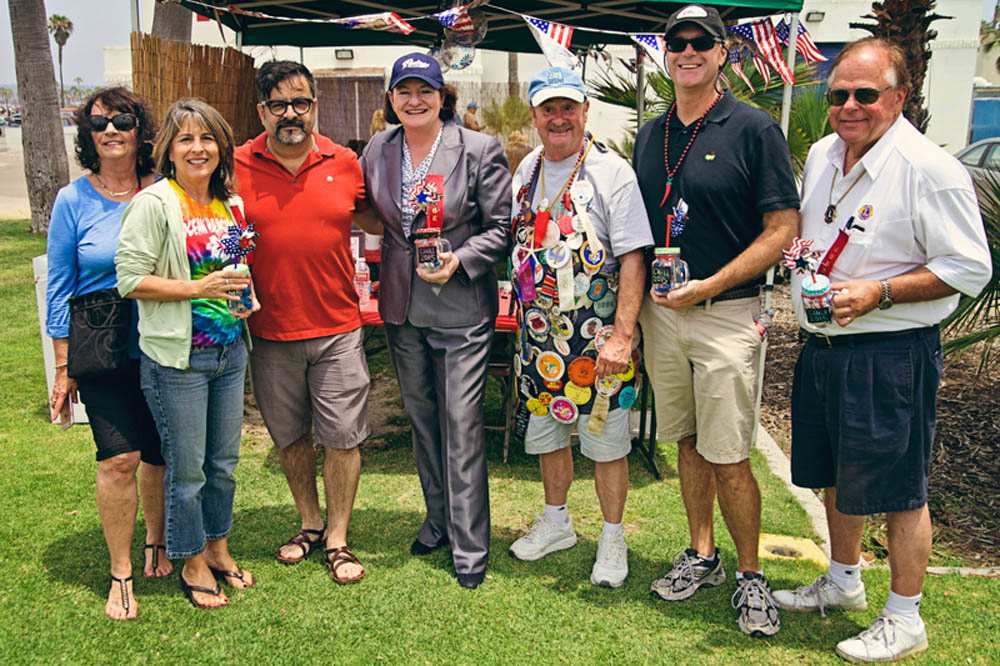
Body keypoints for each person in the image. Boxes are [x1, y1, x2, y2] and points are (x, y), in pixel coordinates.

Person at [773, 38, 991, 662]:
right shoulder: (821, 154)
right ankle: (842, 582)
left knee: (899, 489)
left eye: (865, 94)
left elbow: (969, 269)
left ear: (898, 97)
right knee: (835, 477)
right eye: (838, 93)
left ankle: (905, 617)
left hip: (890, 351)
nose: (849, 106)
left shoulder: (930, 169)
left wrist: (881, 292)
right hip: (824, 344)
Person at [633, 4, 800, 637]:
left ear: (723, 53)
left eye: (702, 41)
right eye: (677, 41)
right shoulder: (652, 134)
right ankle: (701, 553)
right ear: (666, 53)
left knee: (729, 453)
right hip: (663, 313)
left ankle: (751, 575)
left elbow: (783, 228)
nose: (688, 51)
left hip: (726, 313)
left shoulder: (754, 128)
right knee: (685, 440)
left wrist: (716, 281)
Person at [359, 52, 511, 589]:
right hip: (402, 307)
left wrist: (462, 260)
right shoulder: (379, 149)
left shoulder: (478, 148)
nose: (414, 100)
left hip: (462, 307)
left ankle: (470, 546)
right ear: (391, 99)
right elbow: (370, 212)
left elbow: (501, 228)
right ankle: (438, 521)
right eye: (404, 90)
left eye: (425, 89)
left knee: (461, 424)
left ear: (442, 95)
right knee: (423, 423)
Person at [234, 60, 382, 584]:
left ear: (314, 105)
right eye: (278, 105)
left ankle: (339, 538)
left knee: (343, 436)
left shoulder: (344, 162)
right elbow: (219, 232)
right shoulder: (237, 165)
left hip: (338, 325)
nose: (290, 114)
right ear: (261, 112)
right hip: (269, 330)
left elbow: (376, 218)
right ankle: (310, 522)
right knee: (290, 436)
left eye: (300, 103)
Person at [506, 66, 652, 588]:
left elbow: (634, 258)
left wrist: (622, 335)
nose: (559, 118)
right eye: (549, 109)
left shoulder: (613, 173)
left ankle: (612, 536)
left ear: (585, 111)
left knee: (608, 441)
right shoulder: (526, 169)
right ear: (535, 116)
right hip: (540, 336)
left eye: (569, 107)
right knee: (547, 431)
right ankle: (556, 521)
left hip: (598, 339)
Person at [116, 99, 259, 610]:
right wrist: (197, 290)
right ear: (169, 151)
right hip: (178, 362)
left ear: (221, 147)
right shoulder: (154, 204)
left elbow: (235, 272)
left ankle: (218, 547)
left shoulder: (231, 205)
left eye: (208, 138)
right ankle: (191, 558)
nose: (198, 148)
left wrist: (245, 301)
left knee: (223, 463)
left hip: (227, 354)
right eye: (186, 139)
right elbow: (130, 280)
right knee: (189, 469)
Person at [46, 87, 168, 620]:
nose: (111, 131)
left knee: (161, 452)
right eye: (99, 124)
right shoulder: (73, 200)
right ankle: (121, 570)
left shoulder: (164, 190)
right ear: (88, 136)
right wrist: (62, 366)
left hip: (165, 338)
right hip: (101, 341)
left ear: (140, 130)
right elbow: (60, 284)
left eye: (122, 120)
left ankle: (157, 544)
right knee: (119, 456)